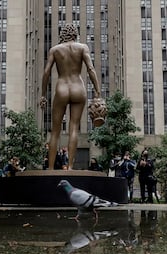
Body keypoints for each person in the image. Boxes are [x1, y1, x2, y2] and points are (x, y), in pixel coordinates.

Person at [40, 23, 101, 170]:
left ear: (62, 35)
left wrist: (43, 94)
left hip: (62, 88)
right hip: (78, 88)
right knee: (74, 128)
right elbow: (90, 69)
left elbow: (46, 72)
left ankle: (50, 169)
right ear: (75, 34)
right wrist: (97, 91)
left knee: (55, 131)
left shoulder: (55, 50)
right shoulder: (82, 48)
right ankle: (71, 166)